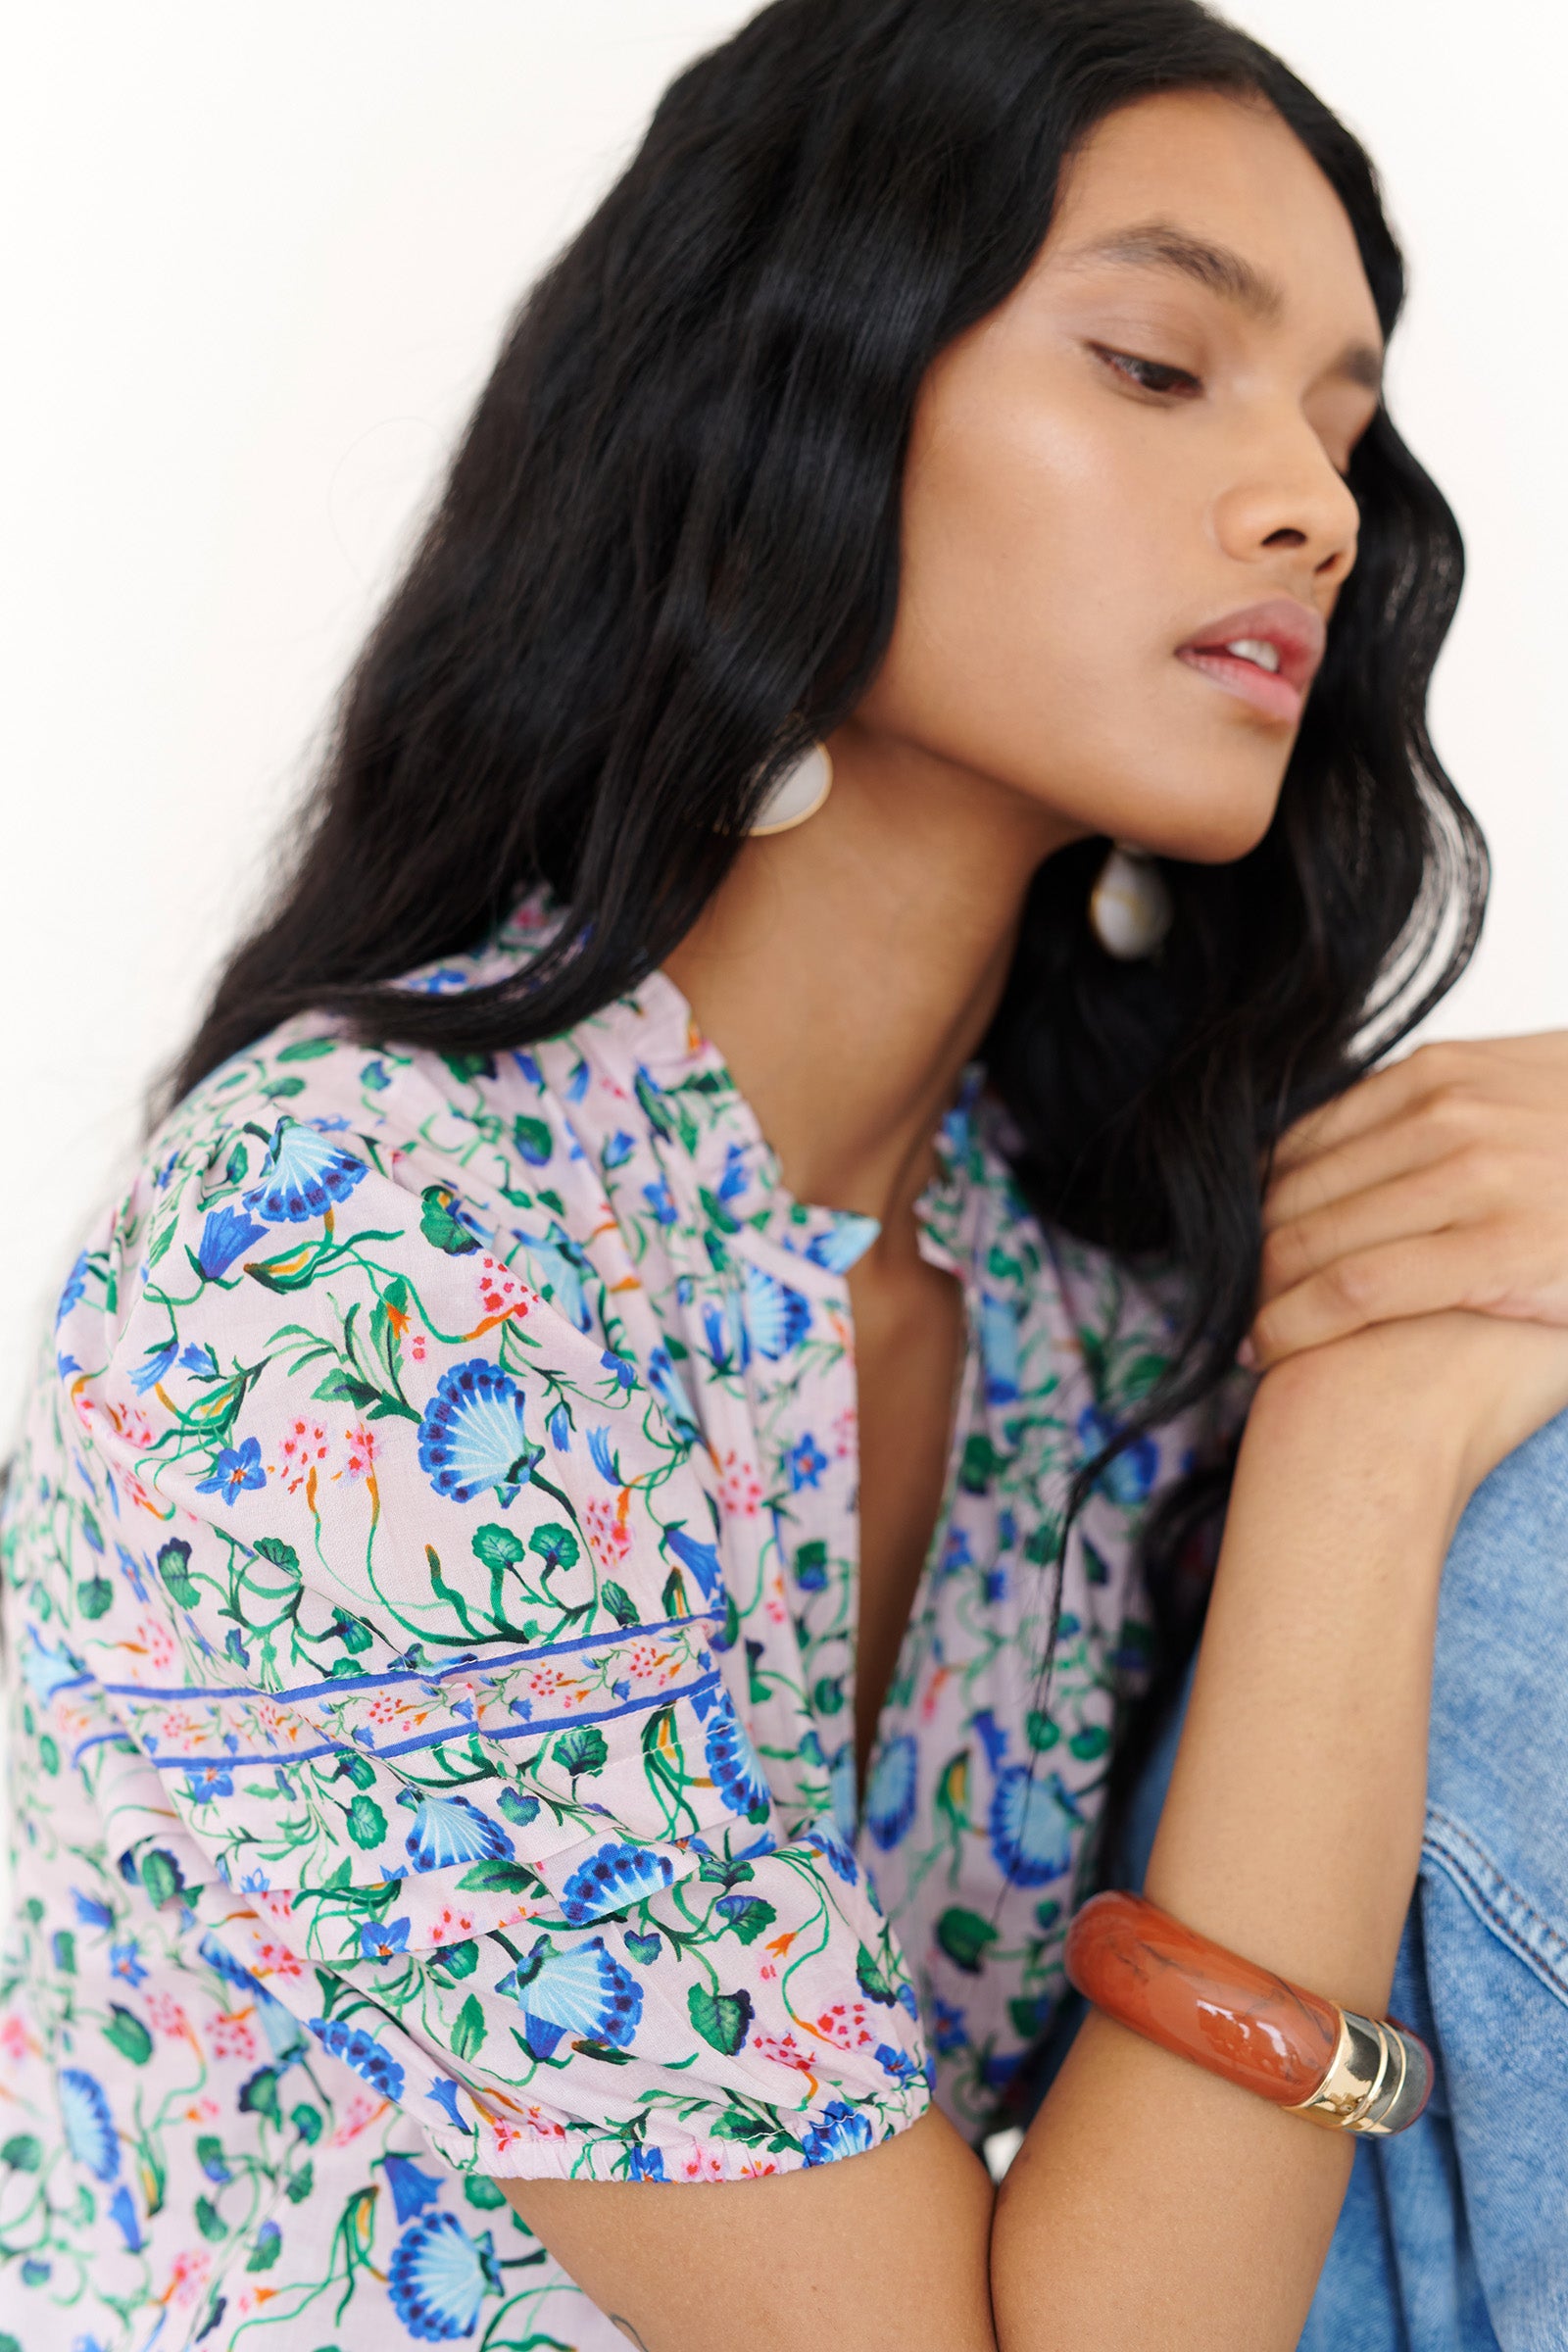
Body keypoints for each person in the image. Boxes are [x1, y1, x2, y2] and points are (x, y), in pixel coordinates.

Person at [4, 2, 1568, 2344]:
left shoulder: (1075, 1281)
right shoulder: (353, 1266)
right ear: (784, 413)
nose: (1310, 506)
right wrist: (1368, 1422)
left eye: (1340, 430)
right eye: (1159, 365)